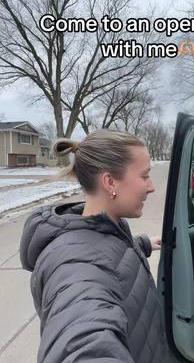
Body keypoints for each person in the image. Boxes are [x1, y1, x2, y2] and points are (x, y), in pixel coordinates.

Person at [20, 129, 167, 363]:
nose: (151, 186)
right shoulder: (76, 267)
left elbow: (110, 258)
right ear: (109, 182)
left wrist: (142, 244)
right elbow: (80, 340)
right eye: (144, 176)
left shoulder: (104, 228)